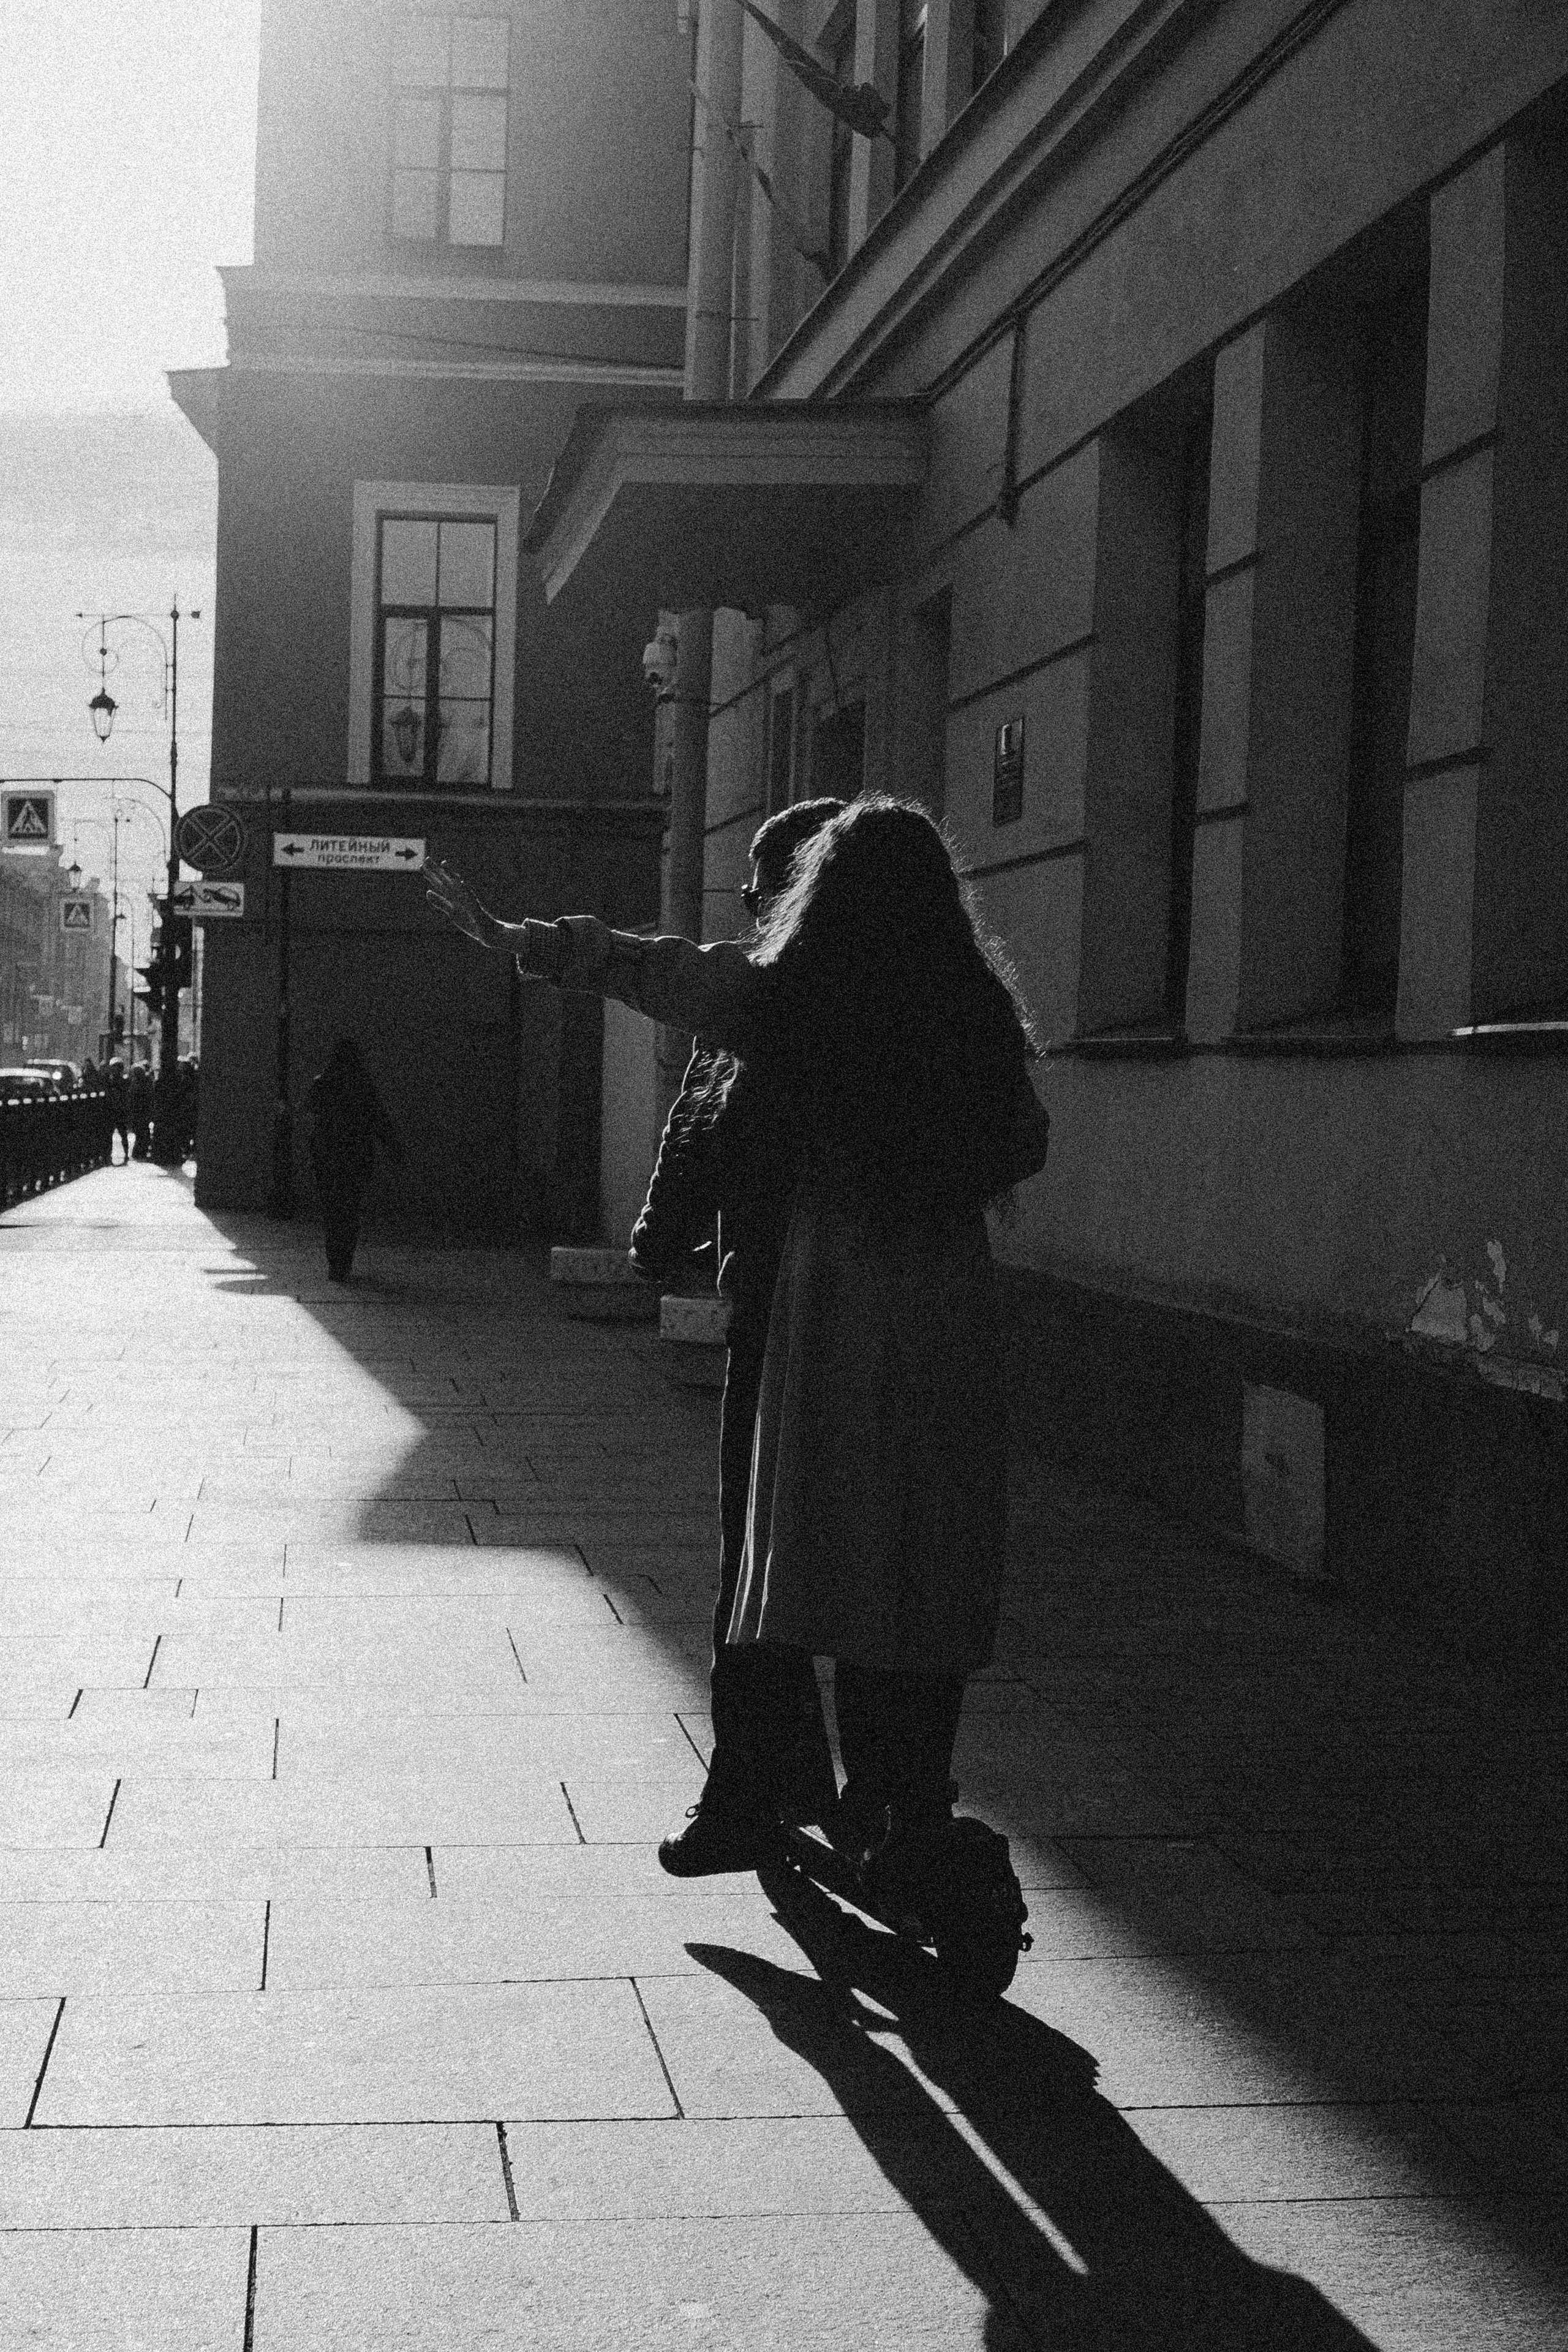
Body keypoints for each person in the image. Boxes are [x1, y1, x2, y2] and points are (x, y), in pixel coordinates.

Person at [428, 796, 1050, 1894]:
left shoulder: (801, 997)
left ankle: (789, 1794)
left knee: (811, 1546)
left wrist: (526, 940)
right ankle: (902, 1794)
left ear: (823, 893)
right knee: (922, 1557)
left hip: (831, 1308)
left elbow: (662, 970)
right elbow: (1025, 1141)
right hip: (950, 1315)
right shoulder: (977, 1011)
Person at [628, 799, 845, 1870]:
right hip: (889, 1319)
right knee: (862, 1559)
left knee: (760, 1554)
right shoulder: (909, 998)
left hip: (787, 1315)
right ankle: (842, 1787)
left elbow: (700, 1125)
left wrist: (659, 1238)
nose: (754, 913)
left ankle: (750, 1794)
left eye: (762, 894)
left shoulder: (771, 1002)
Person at [306, 1039, 404, 1283]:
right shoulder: (363, 1086)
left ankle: (335, 1263)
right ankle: (345, 1261)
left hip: (328, 1155)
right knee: (350, 1209)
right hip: (356, 1155)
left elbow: (309, 1109)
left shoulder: (323, 1083)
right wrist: (394, 1148)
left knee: (332, 1210)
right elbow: (379, 1118)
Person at [105, 1057, 129, 1165]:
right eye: (114, 1067)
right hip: (111, 1110)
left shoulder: (124, 1082)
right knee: (109, 1135)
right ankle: (108, 1156)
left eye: (118, 1068)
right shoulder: (109, 1081)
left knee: (123, 1134)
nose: (116, 1070)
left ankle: (126, 1154)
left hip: (119, 1110)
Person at [127, 1060, 153, 1160]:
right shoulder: (139, 1083)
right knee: (142, 1133)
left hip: (140, 1111)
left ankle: (139, 1152)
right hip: (140, 1111)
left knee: (142, 1133)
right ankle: (139, 1152)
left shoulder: (137, 1083)